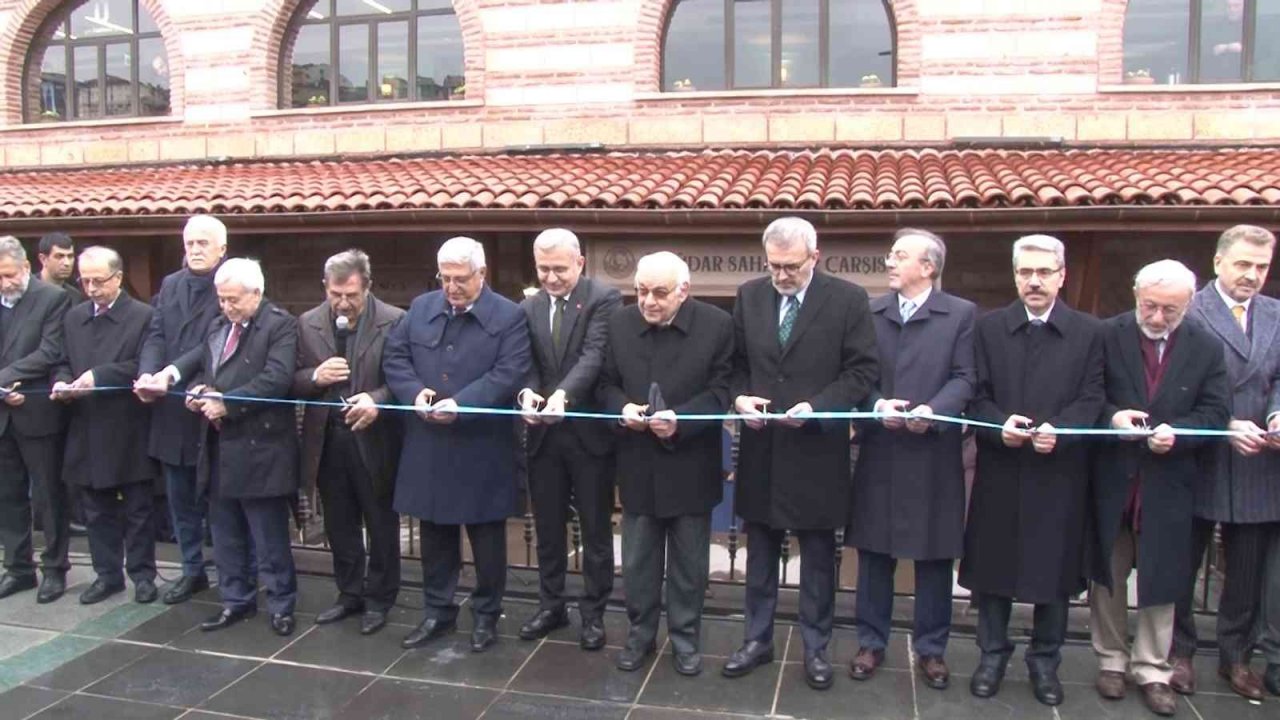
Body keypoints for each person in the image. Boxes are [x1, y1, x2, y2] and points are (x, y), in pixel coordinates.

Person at [723, 217, 878, 690]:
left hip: (817, 448)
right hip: (763, 447)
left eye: (792, 266)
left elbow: (862, 370)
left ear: (815, 256)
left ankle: (815, 647)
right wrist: (740, 398)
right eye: (774, 265)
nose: (782, 275)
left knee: (815, 556)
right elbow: (734, 365)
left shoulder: (848, 299)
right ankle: (757, 639)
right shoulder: (750, 295)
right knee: (761, 552)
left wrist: (819, 407)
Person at [958, 234, 1105, 706]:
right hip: (1002, 466)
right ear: (1015, 275)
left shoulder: (1088, 332)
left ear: (1062, 276)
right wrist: (998, 425)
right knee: (994, 569)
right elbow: (974, 394)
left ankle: (1045, 662)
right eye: (1025, 272)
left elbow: (1094, 396)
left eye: (1044, 272)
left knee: (1054, 572)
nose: (1034, 281)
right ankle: (992, 656)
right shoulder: (989, 328)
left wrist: (1061, 429)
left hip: (1058, 471)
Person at [1088, 259, 1229, 717]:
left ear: (1188, 305)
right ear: (1135, 295)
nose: (1156, 318)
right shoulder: (1107, 335)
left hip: (1169, 483)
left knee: (1162, 579)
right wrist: (1112, 417)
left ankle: (1152, 668)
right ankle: (1110, 660)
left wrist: (1179, 432)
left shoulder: (1206, 347)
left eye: (1170, 310)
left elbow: (1214, 412)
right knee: (1108, 575)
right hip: (1115, 479)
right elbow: (1087, 395)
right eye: (1149, 306)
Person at [383, 236, 531, 653]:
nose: (451, 287)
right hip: (429, 442)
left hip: (481, 446)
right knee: (434, 537)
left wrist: (461, 405)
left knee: (486, 540)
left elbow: (510, 372)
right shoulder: (420, 308)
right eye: (445, 278)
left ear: (481, 275)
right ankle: (437, 612)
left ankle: (486, 615)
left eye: (460, 279)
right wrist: (415, 394)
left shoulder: (509, 316)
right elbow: (395, 358)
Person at [846, 228, 977, 691]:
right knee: (875, 552)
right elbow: (858, 372)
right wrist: (876, 404)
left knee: (935, 557)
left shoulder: (960, 315)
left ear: (928, 267)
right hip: (882, 448)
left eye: (899, 256)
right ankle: (870, 641)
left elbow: (966, 377)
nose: (889, 262)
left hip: (933, 453)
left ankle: (932, 649)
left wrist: (934, 412)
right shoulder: (872, 311)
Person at [597, 251, 733, 677]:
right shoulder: (619, 324)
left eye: (659, 293)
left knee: (690, 564)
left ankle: (686, 638)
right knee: (638, 561)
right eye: (640, 291)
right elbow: (603, 384)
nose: (648, 302)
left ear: (684, 291)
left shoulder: (716, 325)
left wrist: (682, 421)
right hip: (638, 462)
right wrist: (623, 409)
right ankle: (639, 635)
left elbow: (723, 389)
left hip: (691, 462)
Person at [1170, 225, 1280, 700]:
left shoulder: (1277, 315)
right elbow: (1173, 384)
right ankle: (1180, 654)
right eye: (1243, 264)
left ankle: (1236, 656)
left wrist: (1277, 411)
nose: (1252, 275)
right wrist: (1225, 423)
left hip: (1259, 463)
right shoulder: (1187, 310)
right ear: (1218, 263)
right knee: (1183, 564)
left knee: (1247, 571)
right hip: (1203, 456)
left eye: (1261, 266)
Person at [171, 258, 301, 637]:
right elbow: (207, 369)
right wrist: (198, 390)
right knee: (225, 531)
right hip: (218, 446)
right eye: (221, 299)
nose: (226, 307)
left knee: (267, 534)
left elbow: (276, 379)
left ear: (256, 293)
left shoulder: (280, 325)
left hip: (261, 447)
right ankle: (235, 600)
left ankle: (281, 603)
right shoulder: (217, 325)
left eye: (233, 300)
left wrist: (228, 400)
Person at [517, 228, 621, 650]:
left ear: (579, 262)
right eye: (544, 269)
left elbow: (594, 355)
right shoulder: (529, 306)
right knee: (547, 529)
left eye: (560, 268)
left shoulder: (603, 299)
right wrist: (526, 393)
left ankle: (593, 614)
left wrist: (562, 395)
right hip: (543, 437)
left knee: (595, 530)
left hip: (587, 436)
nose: (552, 277)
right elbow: (524, 360)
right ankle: (551, 605)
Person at [295, 249, 405, 636]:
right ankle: (349, 593)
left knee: (380, 523)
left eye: (352, 295)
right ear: (325, 288)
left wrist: (375, 400)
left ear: (368, 287)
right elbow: (289, 378)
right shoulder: (307, 323)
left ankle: (381, 598)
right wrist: (314, 376)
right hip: (327, 440)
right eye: (336, 294)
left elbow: (404, 381)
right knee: (339, 523)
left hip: (375, 439)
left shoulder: (394, 322)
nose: (343, 303)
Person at [51, 246, 158, 605]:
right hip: (86, 423)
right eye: (85, 281)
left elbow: (141, 365)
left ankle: (143, 574)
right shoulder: (74, 317)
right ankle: (107, 574)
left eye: (99, 281)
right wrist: (63, 382)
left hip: (127, 424)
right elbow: (62, 360)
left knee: (138, 510)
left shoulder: (142, 315)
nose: (92, 288)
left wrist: (97, 376)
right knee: (96, 509)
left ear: (118, 278)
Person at [134, 215, 227, 605]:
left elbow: (210, 341)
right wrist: (148, 373)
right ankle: (192, 571)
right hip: (171, 411)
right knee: (179, 498)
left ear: (222, 249)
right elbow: (156, 333)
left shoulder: (230, 283)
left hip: (209, 406)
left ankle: (233, 572)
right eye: (190, 243)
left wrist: (170, 374)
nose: (195, 250)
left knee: (220, 502)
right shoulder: (171, 285)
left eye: (204, 243)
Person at [0, 236, 72, 603]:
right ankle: (18, 567)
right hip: (2, 414)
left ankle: (55, 568)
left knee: (48, 495)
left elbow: (50, 352)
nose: (4, 283)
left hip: (37, 413)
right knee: (8, 495)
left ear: (26, 267)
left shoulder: (51, 298)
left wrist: (5, 377)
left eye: (9, 275)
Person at [37, 232, 81, 304]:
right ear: (43, 259)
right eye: (59, 256)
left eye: (70, 256)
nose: (67, 263)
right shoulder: (27, 290)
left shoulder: (75, 296)